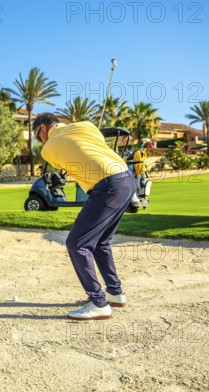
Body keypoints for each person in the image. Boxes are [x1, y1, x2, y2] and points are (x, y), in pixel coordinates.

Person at [33, 113, 136, 320]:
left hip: (107, 186)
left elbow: (63, 163)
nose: (39, 141)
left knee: (77, 244)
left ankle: (99, 303)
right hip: (127, 180)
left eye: (38, 135)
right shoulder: (87, 126)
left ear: (44, 128)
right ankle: (115, 293)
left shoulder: (48, 149)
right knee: (101, 242)